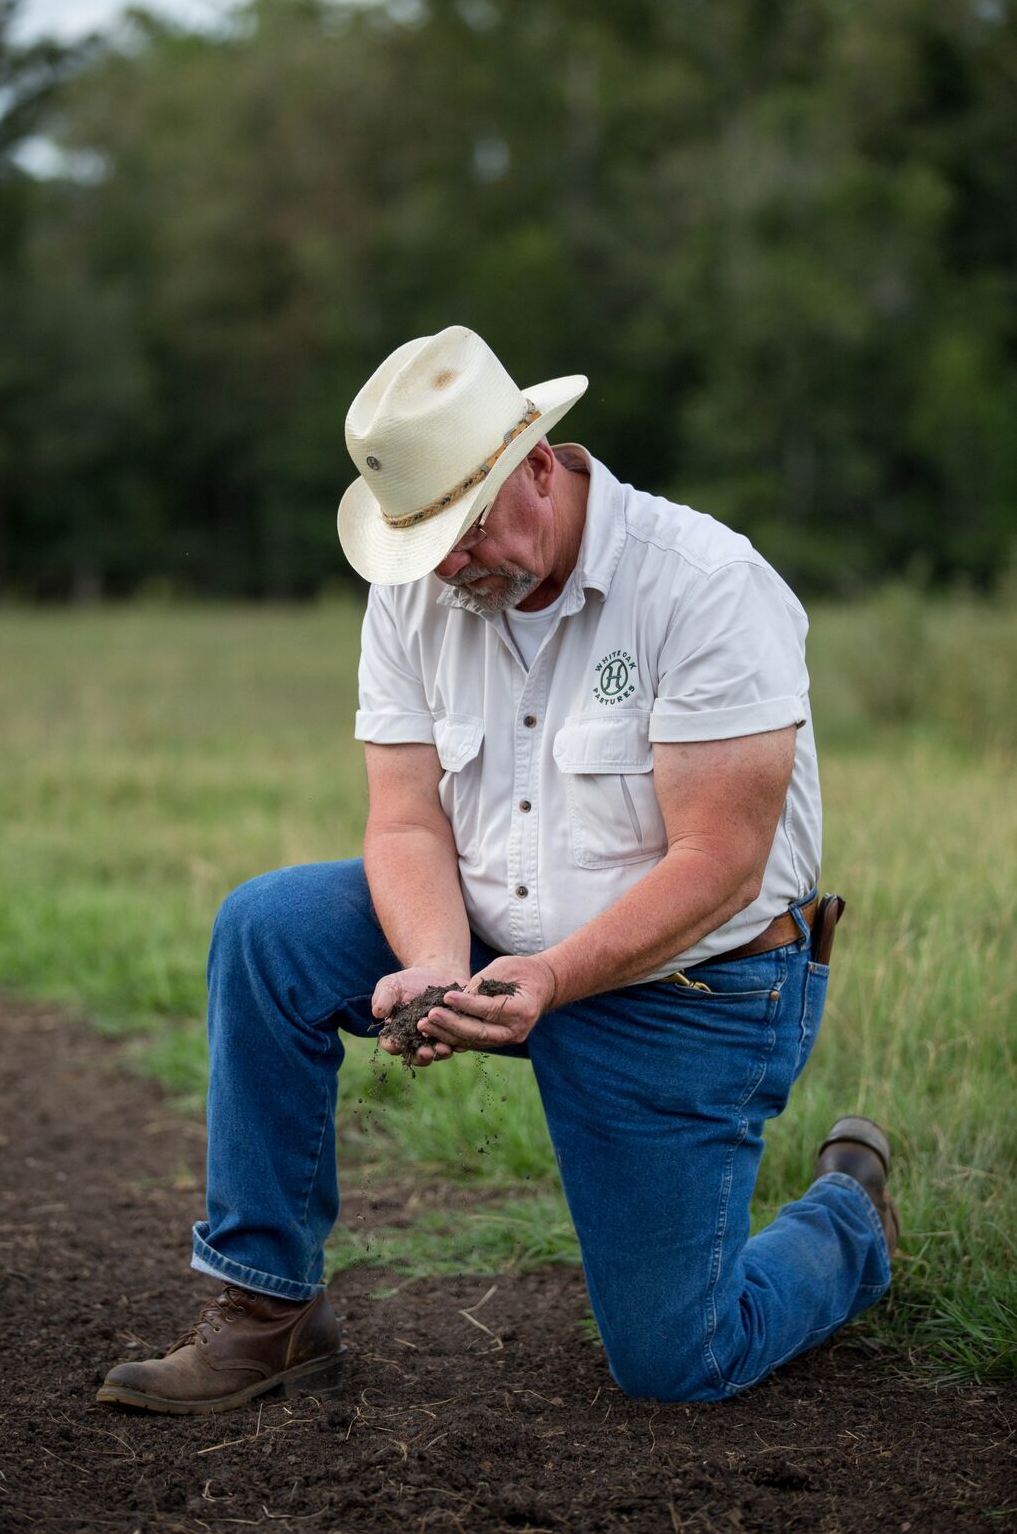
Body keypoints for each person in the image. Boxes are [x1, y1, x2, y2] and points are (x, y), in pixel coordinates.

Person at [97, 325, 898, 1416]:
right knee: (268, 927)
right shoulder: (424, 584)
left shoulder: (704, 583)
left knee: (679, 1363)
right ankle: (265, 1311)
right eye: (416, 543)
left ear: (534, 464)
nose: (439, 568)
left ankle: (847, 1219)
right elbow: (405, 819)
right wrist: (432, 959)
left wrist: (553, 977)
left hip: (685, 984)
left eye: (456, 534)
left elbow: (721, 862)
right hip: (490, 931)